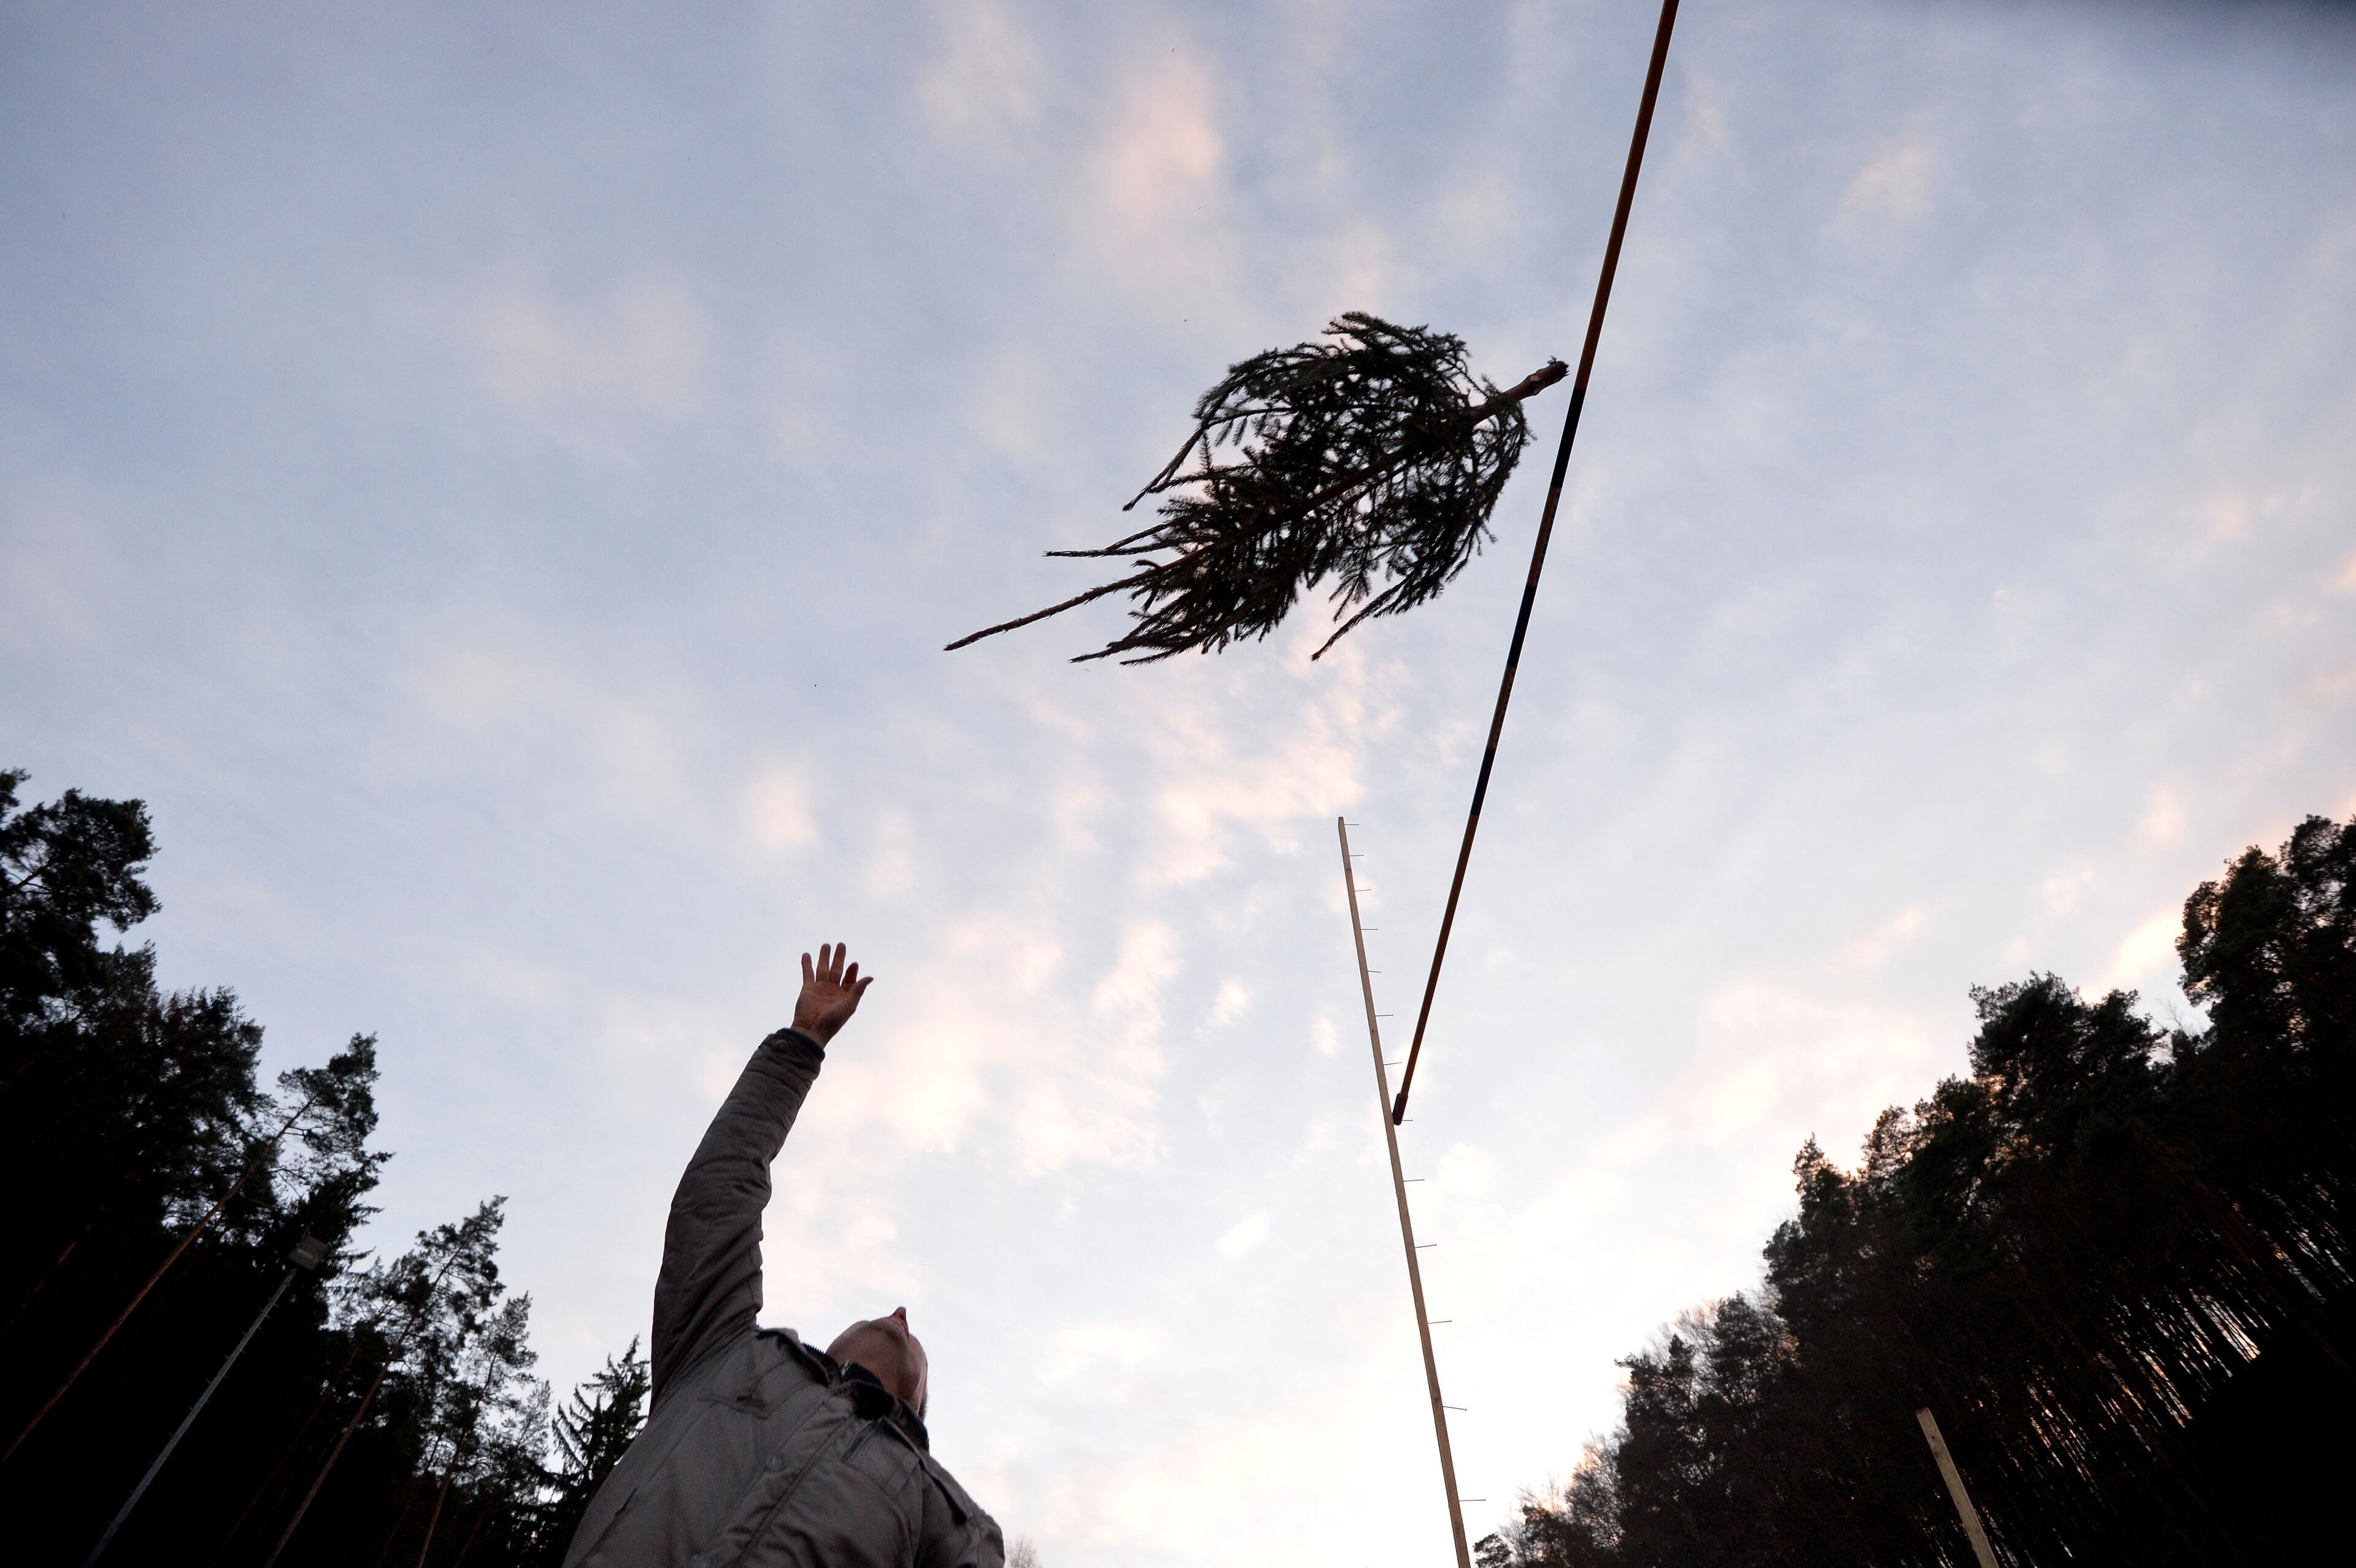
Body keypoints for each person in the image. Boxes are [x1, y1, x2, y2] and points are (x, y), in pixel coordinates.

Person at [563, 943, 1004, 1568]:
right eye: (888, 1313)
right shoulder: (717, 1352)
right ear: (828, 1350)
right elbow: (717, 1198)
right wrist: (800, 1045)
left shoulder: (946, 1518)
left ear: (919, 1404)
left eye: (915, 1335)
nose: (901, 1313)